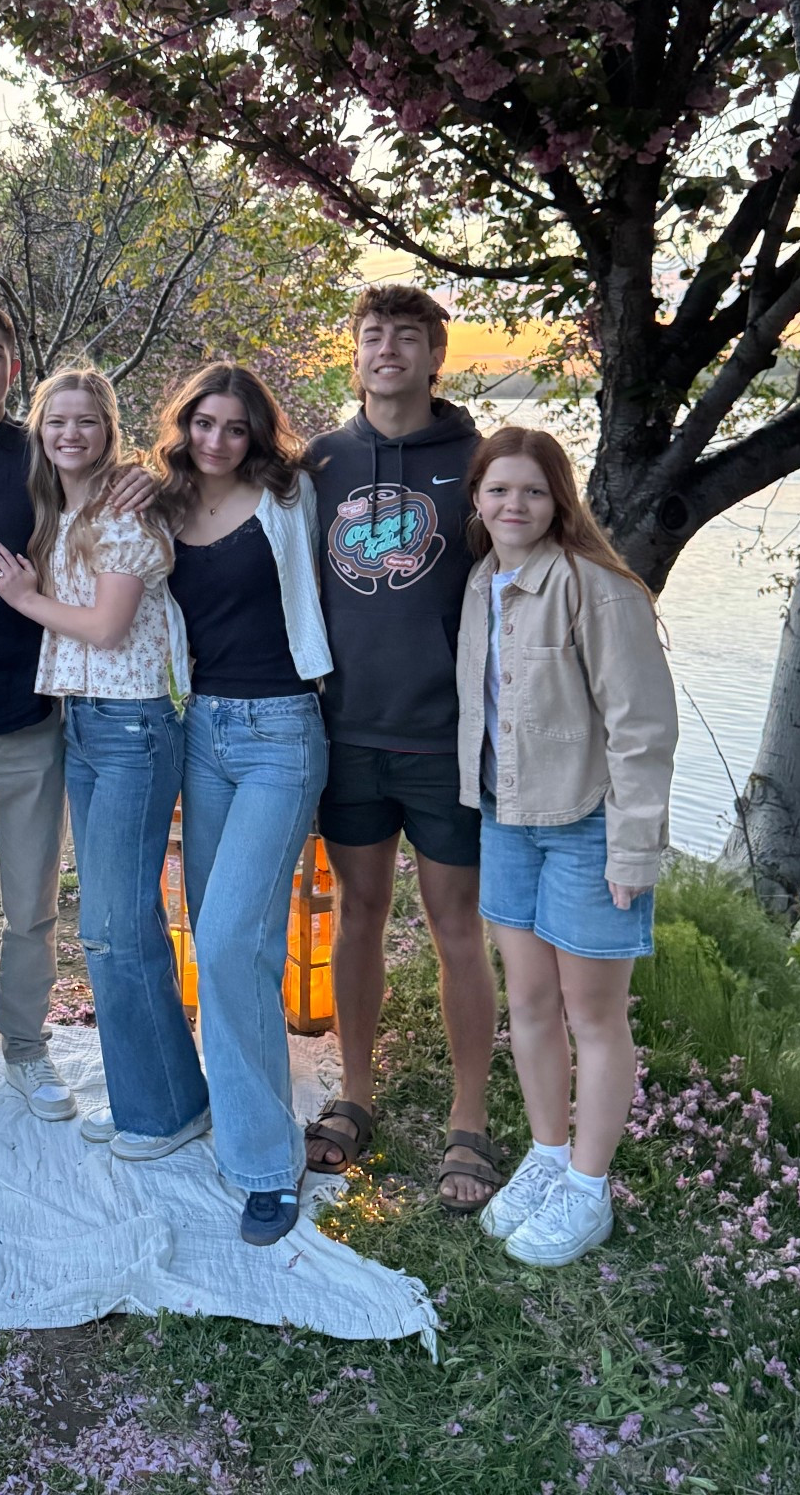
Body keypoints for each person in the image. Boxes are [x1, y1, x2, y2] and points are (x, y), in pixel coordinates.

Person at [0, 303, 152, 1137]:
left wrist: (147, 474)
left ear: (14, 368)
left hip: (31, 714)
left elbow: (113, 480)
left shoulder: (42, 454)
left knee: (31, 902)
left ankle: (22, 1042)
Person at [0, 368, 210, 1160]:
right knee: (119, 922)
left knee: (111, 926)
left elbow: (108, 628)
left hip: (134, 727)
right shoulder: (66, 507)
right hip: (86, 726)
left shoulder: (120, 509)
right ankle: (163, 1093)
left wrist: (22, 597)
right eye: (56, 422)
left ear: (110, 430)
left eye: (86, 421)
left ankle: (164, 1111)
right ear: (39, 431)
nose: (69, 434)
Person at [458, 427, 675, 1265]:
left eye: (533, 492)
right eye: (499, 490)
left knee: (594, 1013)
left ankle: (590, 1189)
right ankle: (549, 1158)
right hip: (508, 820)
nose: (515, 505)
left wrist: (633, 850)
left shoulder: (597, 587)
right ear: (477, 498)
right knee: (531, 1005)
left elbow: (643, 728)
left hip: (587, 825)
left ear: (560, 501)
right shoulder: (482, 583)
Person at [305, 285, 498, 1213]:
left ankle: (470, 1120)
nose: (387, 349)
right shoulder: (320, 462)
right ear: (356, 353)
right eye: (372, 333)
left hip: (443, 738)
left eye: (407, 336)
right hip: (345, 733)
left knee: (458, 926)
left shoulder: (478, 460)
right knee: (359, 913)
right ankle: (356, 1094)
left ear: (434, 356)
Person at [154, 364, 332, 1244]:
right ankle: (242, 1116)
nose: (217, 440)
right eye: (204, 424)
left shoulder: (290, 495)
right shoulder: (167, 505)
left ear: (257, 435)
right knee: (225, 938)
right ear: (184, 427)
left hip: (282, 734)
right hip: (205, 733)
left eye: (234, 428)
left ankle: (267, 1165)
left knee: (229, 940)